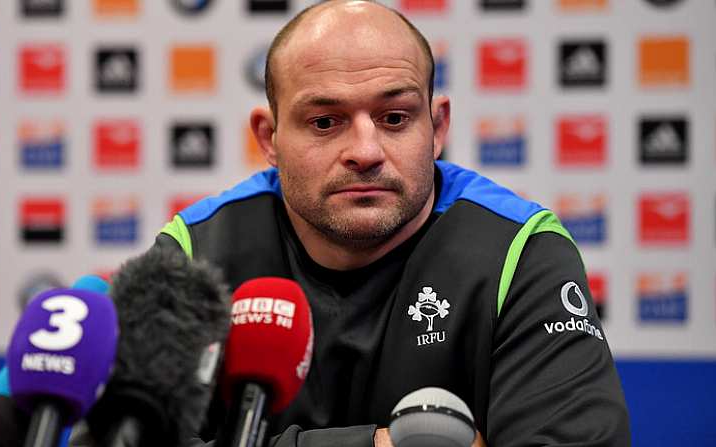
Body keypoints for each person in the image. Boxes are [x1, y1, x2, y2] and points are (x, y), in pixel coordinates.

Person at [157, 1, 631, 446]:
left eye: (395, 117)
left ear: (438, 128)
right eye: (325, 122)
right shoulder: (194, 256)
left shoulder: (518, 253)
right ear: (271, 138)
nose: (365, 152)